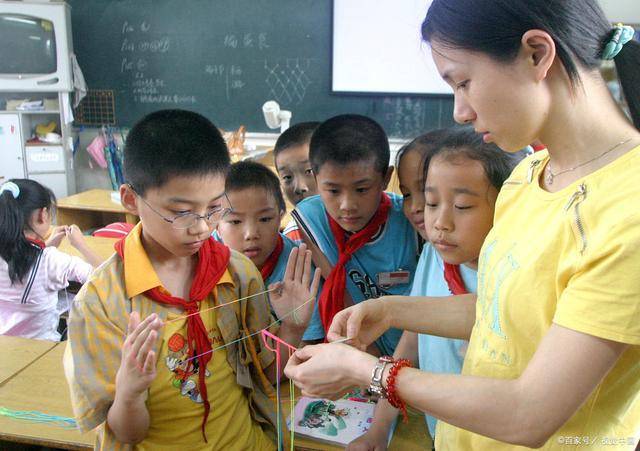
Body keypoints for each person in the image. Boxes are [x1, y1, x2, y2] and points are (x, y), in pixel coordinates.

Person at [285, 1, 640, 449]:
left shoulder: (629, 214)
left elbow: (529, 414)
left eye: (464, 82)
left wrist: (367, 371)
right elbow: (502, 309)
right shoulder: (530, 177)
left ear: (536, 54)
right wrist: (391, 310)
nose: (460, 111)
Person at [64, 109, 319, 449]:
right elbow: (127, 435)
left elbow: (266, 380)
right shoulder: (100, 303)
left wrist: (292, 328)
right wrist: (129, 393)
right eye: (181, 212)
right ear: (130, 199)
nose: (201, 226)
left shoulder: (237, 274)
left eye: (215, 209)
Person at [347, 127, 521, 449]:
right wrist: (379, 428)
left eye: (463, 206)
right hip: (440, 436)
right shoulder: (433, 255)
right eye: (431, 202)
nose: (440, 222)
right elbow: (412, 337)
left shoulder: (515, 279)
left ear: (508, 205)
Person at [292, 114, 418, 355]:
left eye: (362, 189)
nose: (347, 205)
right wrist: (374, 370)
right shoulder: (312, 218)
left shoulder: (412, 222)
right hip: (362, 352)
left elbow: (427, 302)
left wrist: (389, 374)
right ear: (316, 180)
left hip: (416, 353)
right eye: (333, 190)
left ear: (385, 178)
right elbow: (342, 295)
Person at [215, 160, 320, 336]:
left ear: (280, 218)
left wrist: (292, 327)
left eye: (264, 219)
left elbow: (308, 346)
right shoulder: (199, 260)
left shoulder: (298, 270)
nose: (251, 234)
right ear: (215, 224)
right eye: (235, 221)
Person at [0, 179, 101, 341]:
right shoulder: (51, 261)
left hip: (6, 352)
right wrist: (81, 245)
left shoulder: (44, 257)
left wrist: (45, 246)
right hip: (44, 350)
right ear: (43, 214)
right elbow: (103, 278)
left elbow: (26, 263)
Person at [273, 122, 320, 242]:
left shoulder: (356, 219)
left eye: (309, 171)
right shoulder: (293, 237)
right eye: (287, 177)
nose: (299, 187)